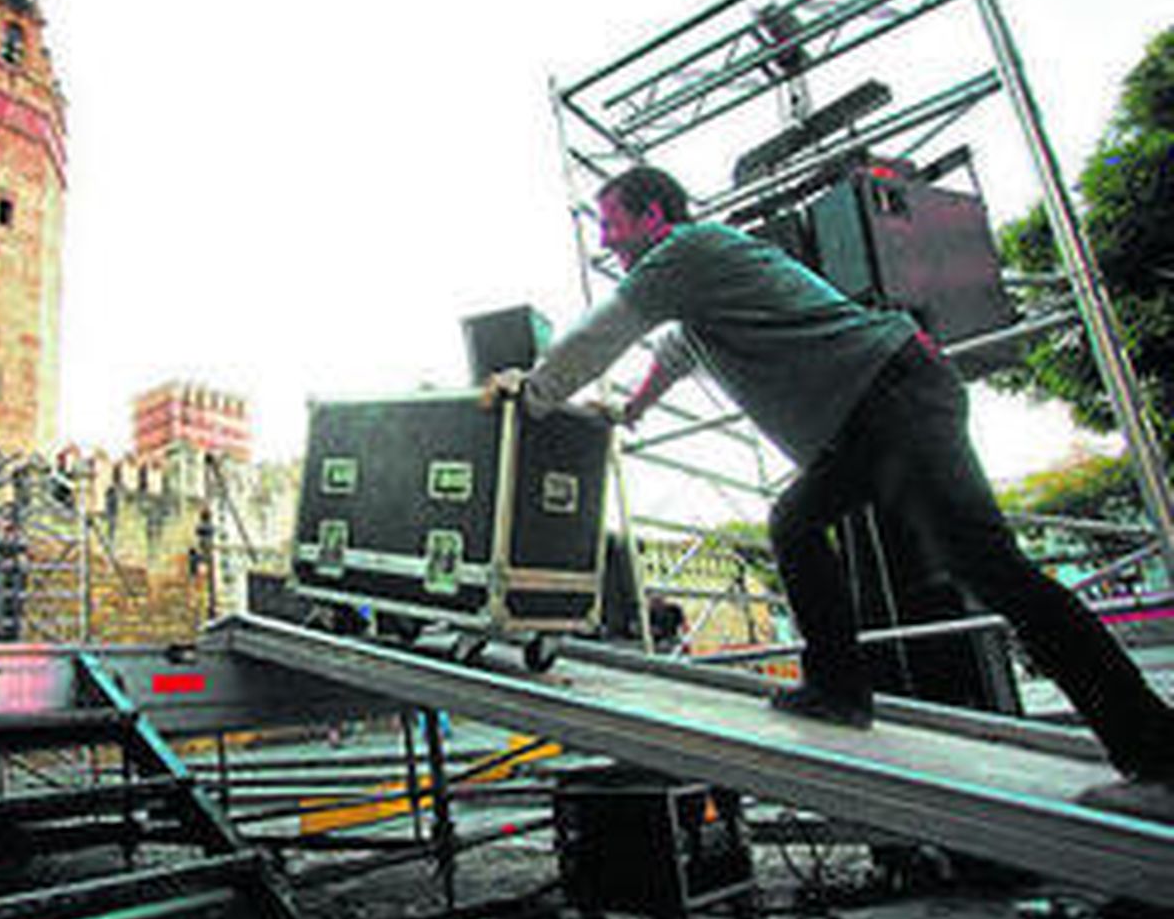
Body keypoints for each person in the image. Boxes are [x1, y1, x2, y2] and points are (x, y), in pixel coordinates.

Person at [484, 163, 1173, 815]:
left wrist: (537, 390)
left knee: (992, 572)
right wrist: (630, 413)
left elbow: (607, 328)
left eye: (612, 224)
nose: (606, 241)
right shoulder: (700, 287)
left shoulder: (687, 250)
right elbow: (675, 353)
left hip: (892, 400)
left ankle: (1158, 761)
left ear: (654, 214)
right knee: (794, 521)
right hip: (869, 419)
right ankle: (840, 690)